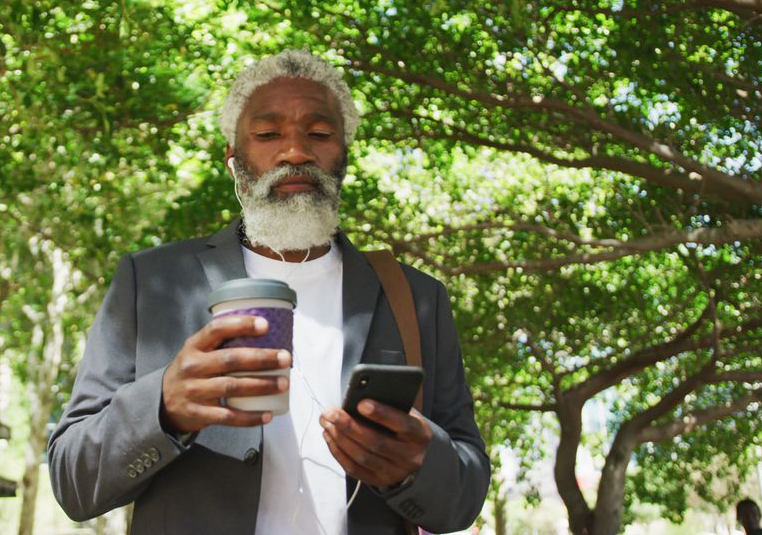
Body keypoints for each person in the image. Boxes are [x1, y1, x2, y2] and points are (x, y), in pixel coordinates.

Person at [48, 49, 490, 534]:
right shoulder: (151, 281)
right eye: (267, 134)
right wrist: (164, 406)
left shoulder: (416, 297)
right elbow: (73, 480)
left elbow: (464, 495)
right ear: (234, 163)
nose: (296, 152)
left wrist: (415, 467)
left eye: (319, 134)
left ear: (343, 156)